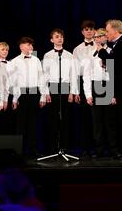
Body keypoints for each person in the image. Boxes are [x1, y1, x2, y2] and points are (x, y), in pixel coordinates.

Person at [98, 20, 122, 159]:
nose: (106, 34)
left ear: (115, 31)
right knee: (121, 121)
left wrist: (102, 52)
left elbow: (114, 63)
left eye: (108, 31)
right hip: (121, 88)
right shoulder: (118, 44)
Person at [10, 37, 48, 158]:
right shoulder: (14, 61)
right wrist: (15, 99)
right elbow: (13, 81)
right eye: (28, 44)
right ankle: (18, 151)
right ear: (21, 46)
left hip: (33, 93)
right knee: (20, 124)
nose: (30, 47)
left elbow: (41, 78)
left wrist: (43, 95)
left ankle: (33, 150)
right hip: (21, 94)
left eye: (31, 45)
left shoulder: (36, 60)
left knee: (33, 123)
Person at [42, 28, 78, 154]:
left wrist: (72, 92)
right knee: (53, 118)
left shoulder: (69, 55)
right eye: (57, 36)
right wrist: (45, 92)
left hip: (65, 86)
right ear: (52, 40)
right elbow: (44, 76)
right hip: (52, 86)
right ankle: (53, 146)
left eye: (61, 36)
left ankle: (64, 146)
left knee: (65, 118)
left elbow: (73, 74)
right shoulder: (47, 55)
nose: (60, 38)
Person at [83, 28, 117, 157]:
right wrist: (88, 95)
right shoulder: (90, 55)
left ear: (106, 37)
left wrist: (113, 94)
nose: (97, 39)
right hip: (96, 86)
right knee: (97, 122)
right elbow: (86, 76)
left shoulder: (112, 52)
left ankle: (113, 149)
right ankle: (99, 149)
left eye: (100, 36)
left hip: (108, 86)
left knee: (110, 121)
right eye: (95, 37)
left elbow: (114, 74)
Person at [72, 20, 96, 156]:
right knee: (85, 117)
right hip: (82, 83)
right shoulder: (77, 49)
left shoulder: (101, 46)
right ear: (82, 32)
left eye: (91, 29)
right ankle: (85, 147)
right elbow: (75, 71)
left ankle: (98, 147)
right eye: (86, 29)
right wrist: (75, 91)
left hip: (98, 82)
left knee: (98, 117)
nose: (89, 31)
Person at [0, 42, 15, 135]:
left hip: (9, 95)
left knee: (8, 122)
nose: (5, 51)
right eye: (2, 49)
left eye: (7, 50)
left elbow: (14, 82)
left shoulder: (11, 64)